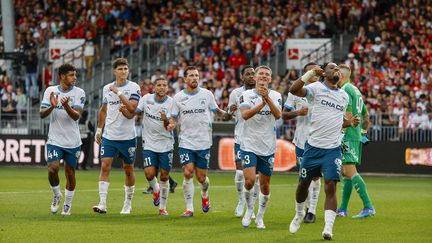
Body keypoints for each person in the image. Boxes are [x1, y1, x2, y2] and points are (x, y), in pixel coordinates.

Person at [288, 63, 359, 240]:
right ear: (324, 73)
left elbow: (338, 120)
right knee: (303, 184)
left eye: (337, 69)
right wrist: (310, 73)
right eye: (333, 68)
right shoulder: (315, 88)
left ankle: (328, 228)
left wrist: (349, 123)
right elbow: (294, 89)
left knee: (330, 186)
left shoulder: (343, 96)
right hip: (312, 147)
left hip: (333, 150)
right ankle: (299, 214)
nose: (336, 71)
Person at [168, 66, 232, 217]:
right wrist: (171, 123)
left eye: (196, 75)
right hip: (186, 141)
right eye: (191, 75)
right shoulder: (178, 98)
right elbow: (173, 117)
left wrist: (227, 114)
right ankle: (189, 208)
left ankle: (205, 193)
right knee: (188, 172)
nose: (195, 78)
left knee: (201, 177)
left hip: (203, 141)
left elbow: (217, 111)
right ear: (185, 79)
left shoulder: (207, 94)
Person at [93, 58, 141, 214]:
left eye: (126, 69)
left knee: (128, 169)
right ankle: (102, 203)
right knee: (105, 166)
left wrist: (119, 93)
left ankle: (127, 203)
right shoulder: (107, 88)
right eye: (120, 69)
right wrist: (99, 130)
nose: (123, 72)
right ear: (114, 71)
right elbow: (103, 109)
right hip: (110, 136)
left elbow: (132, 110)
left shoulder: (134, 87)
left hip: (127, 137)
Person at [239, 65, 282, 229]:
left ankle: (260, 217)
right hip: (249, 143)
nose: (264, 76)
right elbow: (245, 115)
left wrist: (267, 99)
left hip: (268, 145)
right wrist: (262, 103)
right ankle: (249, 210)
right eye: (261, 74)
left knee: (265, 184)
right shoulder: (246, 95)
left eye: (267, 74)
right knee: (249, 181)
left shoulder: (276, 95)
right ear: (255, 78)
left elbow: (278, 115)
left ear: (270, 79)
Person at [39, 63, 85, 215]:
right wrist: (52, 106)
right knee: (52, 168)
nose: (74, 78)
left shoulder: (79, 92)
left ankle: (68, 204)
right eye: (71, 75)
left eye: (75, 75)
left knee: (70, 172)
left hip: (73, 141)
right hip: (55, 140)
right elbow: (42, 113)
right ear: (62, 76)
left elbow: (77, 116)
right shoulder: (50, 91)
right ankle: (57, 194)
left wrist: (66, 106)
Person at [283, 62, 321, 223]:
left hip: (319, 140)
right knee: (304, 177)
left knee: (316, 178)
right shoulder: (296, 92)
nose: (315, 75)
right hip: (301, 140)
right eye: (311, 72)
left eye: (317, 72)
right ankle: (306, 207)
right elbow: (284, 114)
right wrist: (298, 112)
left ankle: (311, 210)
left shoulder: (324, 90)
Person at [336, 64, 375, 218]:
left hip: (348, 136)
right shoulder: (356, 90)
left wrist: (340, 134)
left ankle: (368, 206)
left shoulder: (345, 90)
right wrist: (363, 132)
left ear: (341, 75)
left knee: (350, 171)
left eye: (336, 73)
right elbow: (366, 116)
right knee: (346, 172)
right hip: (355, 136)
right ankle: (342, 209)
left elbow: (349, 114)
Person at [133, 78, 175, 216]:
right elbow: (135, 111)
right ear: (154, 87)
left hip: (166, 143)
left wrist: (165, 119)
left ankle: (162, 207)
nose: (162, 87)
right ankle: (155, 190)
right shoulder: (146, 99)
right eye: (159, 85)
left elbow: (169, 127)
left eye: (164, 85)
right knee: (149, 174)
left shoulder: (171, 103)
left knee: (164, 176)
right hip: (149, 142)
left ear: (167, 88)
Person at [227, 65, 260, 218]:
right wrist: (231, 110)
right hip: (241, 137)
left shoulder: (263, 91)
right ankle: (241, 201)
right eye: (248, 73)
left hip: (259, 139)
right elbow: (228, 115)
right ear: (242, 77)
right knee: (240, 173)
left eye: (253, 73)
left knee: (256, 176)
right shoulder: (236, 93)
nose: (251, 75)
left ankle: (251, 207)